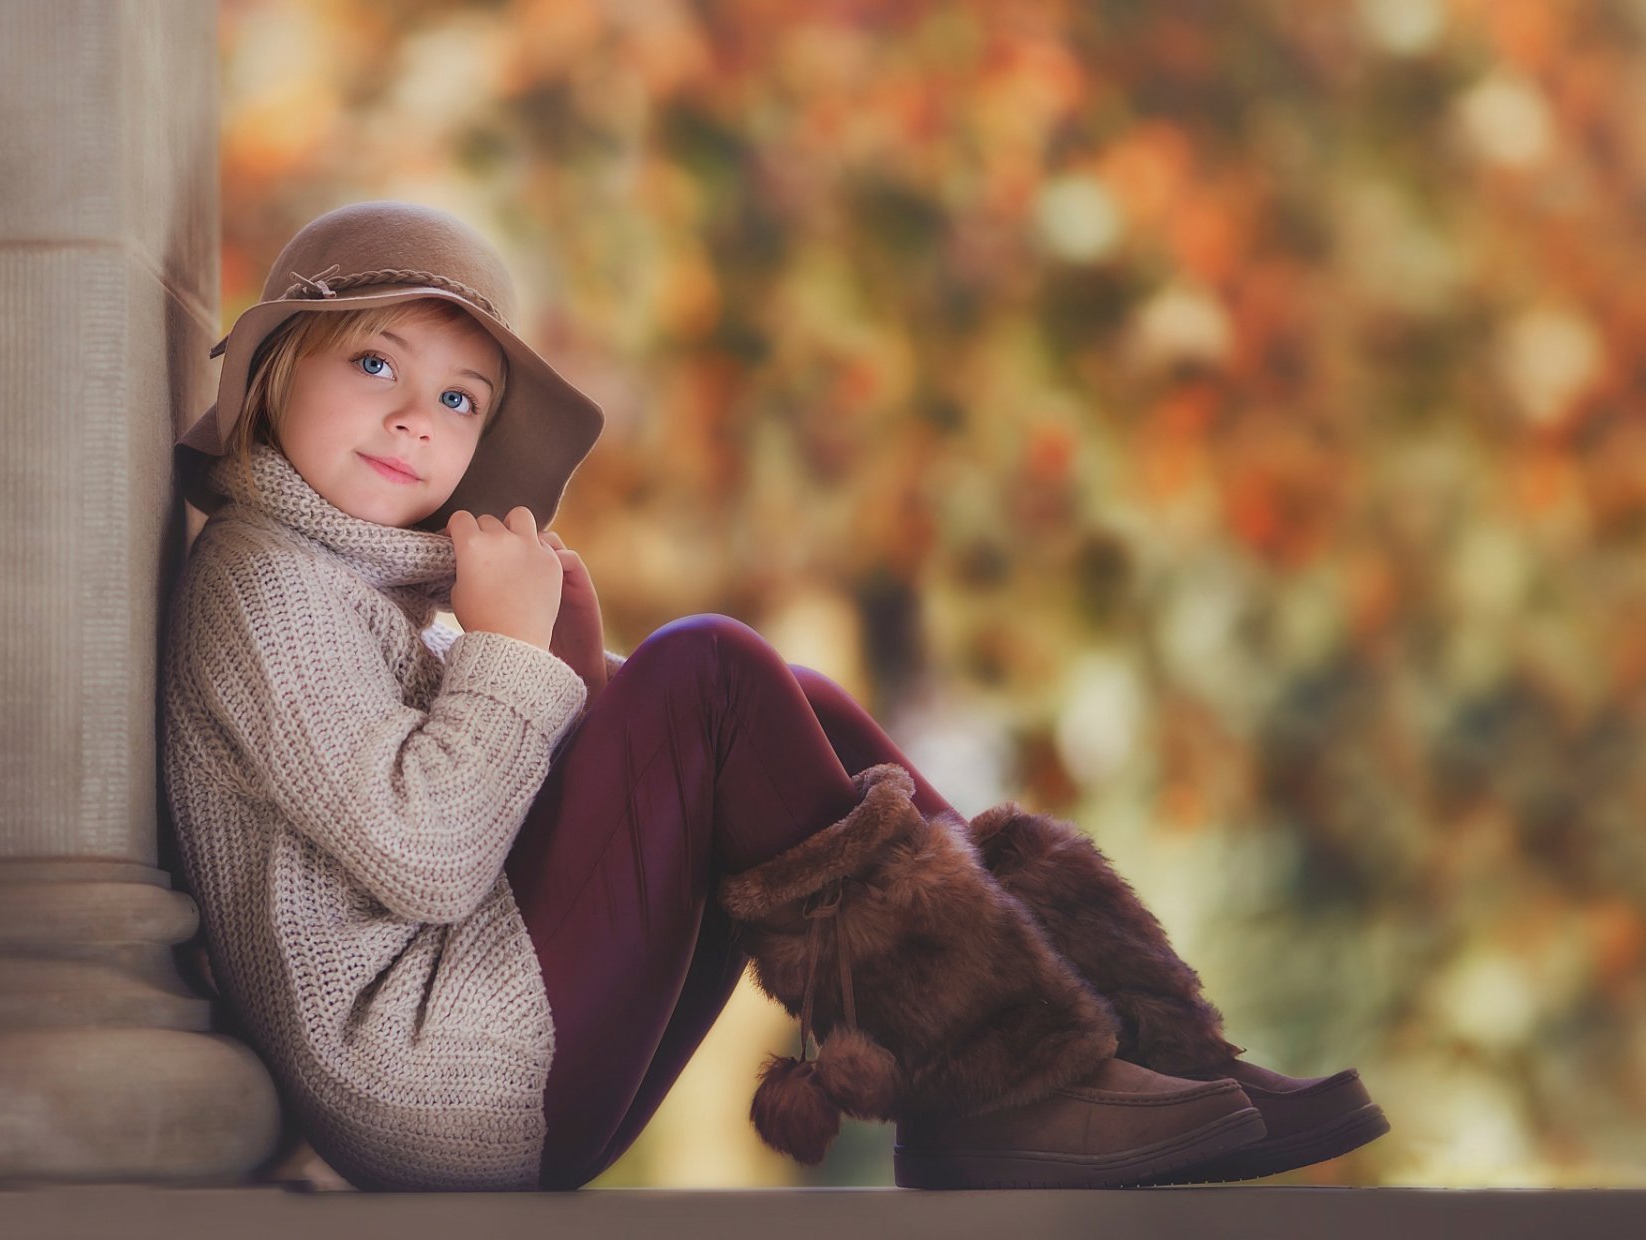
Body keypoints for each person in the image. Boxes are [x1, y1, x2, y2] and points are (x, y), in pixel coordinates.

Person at [159, 200, 1388, 1193]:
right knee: (709, 670)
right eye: (375, 359)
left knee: (784, 699)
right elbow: (426, 858)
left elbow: (493, 842)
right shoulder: (262, 582)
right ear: (269, 374)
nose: (414, 418)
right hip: (428, 1083)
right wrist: (511, 657)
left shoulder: (358, 597)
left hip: (487, 1067)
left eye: (461, 399)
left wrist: (552, 661)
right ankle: (1010, 1097)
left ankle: (1127, 1039)